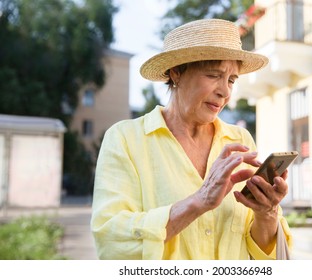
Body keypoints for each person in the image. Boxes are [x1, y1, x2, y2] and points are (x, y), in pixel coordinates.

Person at [90, 18, 292, 260]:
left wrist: (266, 213)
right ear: (177, 73)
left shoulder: (240, 139)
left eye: (231, 80)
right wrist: (199, 202)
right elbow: (110, 239)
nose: (225, 92)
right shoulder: (125, 139)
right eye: (213, 75)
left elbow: (259, 254)